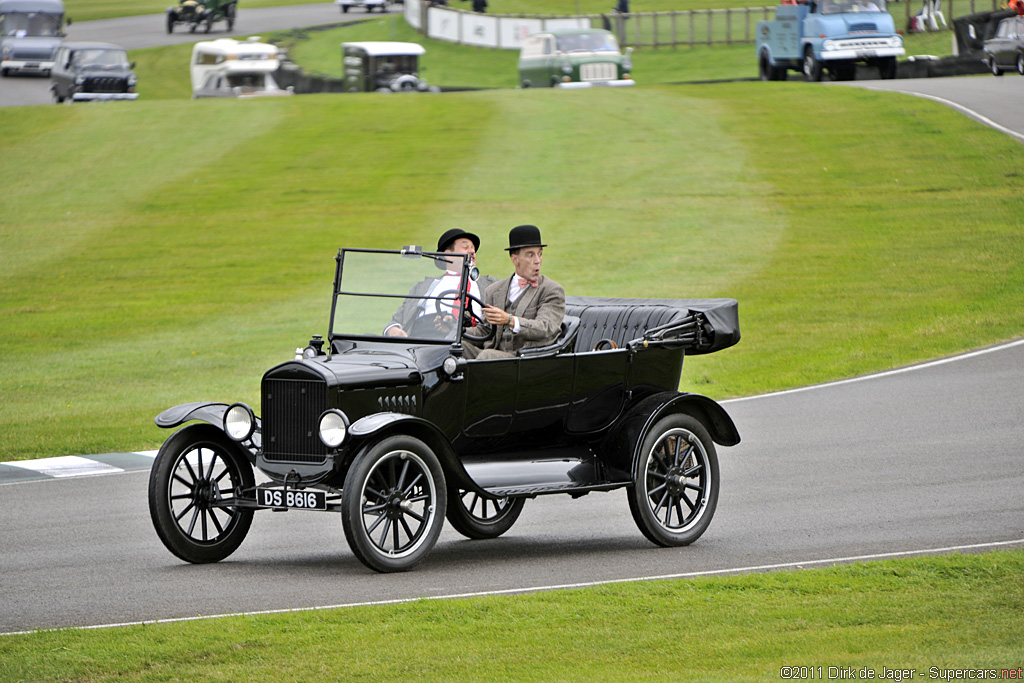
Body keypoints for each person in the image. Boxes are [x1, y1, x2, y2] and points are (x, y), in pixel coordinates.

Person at [463, 225, 565, 360]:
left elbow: (545, 328)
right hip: (493, 353)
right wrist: (455, 331)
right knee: (455, 348)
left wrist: (510, 320)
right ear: (515, 259)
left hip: (526, 359)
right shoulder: (494, 290)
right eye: (530, 255)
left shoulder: (551, 290)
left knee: (486, 356)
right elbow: (486, 330)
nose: (538, 260)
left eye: (540, 254)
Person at [384, 228, 489, 338]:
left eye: (473, 249)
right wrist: (393, 330)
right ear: (448, 255)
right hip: (424, 334)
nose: (472, 252)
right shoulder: (423, 286)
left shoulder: (491, 285)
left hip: (468, 336)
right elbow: (396, 321)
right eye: (465, 247)